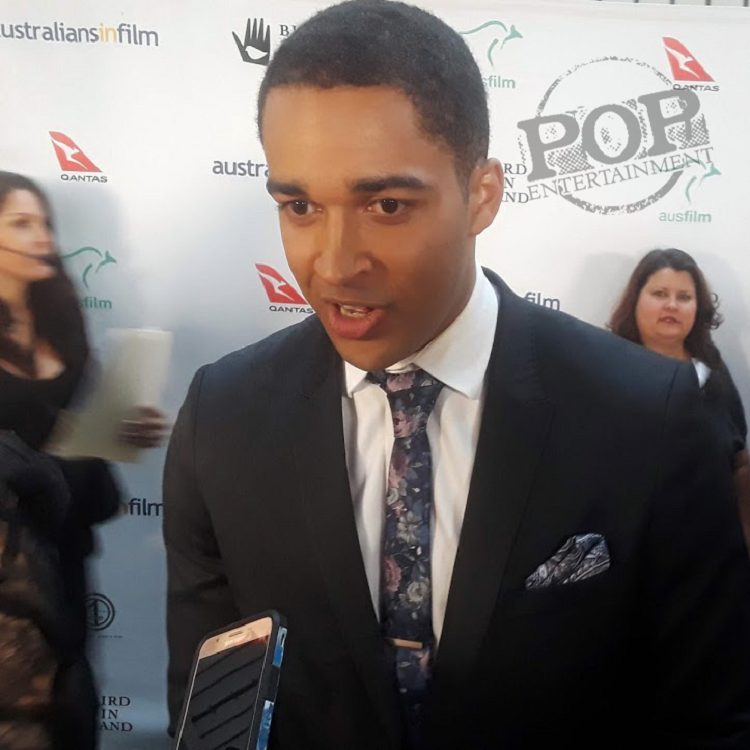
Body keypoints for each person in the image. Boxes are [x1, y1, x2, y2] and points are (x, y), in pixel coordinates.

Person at [163, 2, 750, 748]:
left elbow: (710, 718)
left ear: (482, 195)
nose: (335, 264)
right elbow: (212, 722)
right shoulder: (223, 420)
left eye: (387, 204)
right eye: (300, 205)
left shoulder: (647, 415)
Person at [0, 171, 167, 749]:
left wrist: (119, 432)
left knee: (70, 721)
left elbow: (86, 463)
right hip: (7, 584)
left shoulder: (64, 325)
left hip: (66, 566)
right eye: (20, 223)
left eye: (44, 223)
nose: (41, 237)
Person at [609, 247, 750, 550]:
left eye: (684, 297)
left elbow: (738, 458)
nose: (671, 305)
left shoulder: (712, 371)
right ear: (636, 300)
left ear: (698, 307)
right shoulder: (607, 367)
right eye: (659, 293)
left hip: (709, 545)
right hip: (629, 544)